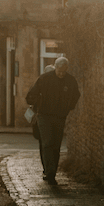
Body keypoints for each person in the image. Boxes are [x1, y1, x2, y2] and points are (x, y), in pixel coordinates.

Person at [26, 56, 81, 185]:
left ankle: (52, 172)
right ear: (55, 67)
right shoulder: (45, 79)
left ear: (67, 69)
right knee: (47, 142)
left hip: (60, 116)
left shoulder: (70, 81)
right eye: (59, 71)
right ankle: (49, 172)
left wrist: (69, 107)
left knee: (56, 145)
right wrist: (38, 105)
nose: (61, 74)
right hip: (44, 116)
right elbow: (30, 95)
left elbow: (76, 95)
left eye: (64, 71)